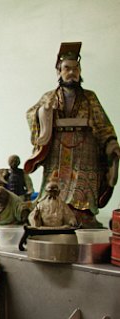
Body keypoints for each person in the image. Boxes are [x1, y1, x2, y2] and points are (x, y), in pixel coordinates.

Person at [24, 42, 120, 228]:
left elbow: (102, 124)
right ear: (59, 72)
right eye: (67, 68)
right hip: (58, 150)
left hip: (86, 150)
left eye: (76, 69)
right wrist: (44, 113)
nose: (71, 73)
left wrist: (111, 143)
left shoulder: (90, 97)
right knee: (55, 184)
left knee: (84, 183)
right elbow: (31, 113)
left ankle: (83, 215)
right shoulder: (49, 96)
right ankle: (52, 214)